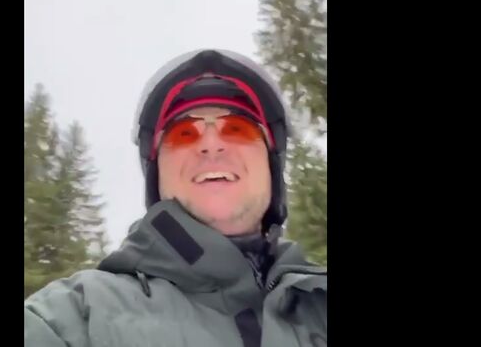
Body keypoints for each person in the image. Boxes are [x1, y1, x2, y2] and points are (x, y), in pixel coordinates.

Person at [24, 49, 327, 347]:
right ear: (157, 173)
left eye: (238, 129)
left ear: (271, 163)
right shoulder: (74, 318)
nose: (211, 144)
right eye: (184, 133)